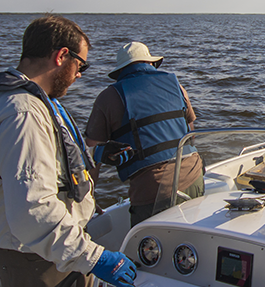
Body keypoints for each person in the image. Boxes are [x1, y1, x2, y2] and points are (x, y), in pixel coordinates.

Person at [0, 14, 137, 287]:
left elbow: (44, 162)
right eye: (81, 64)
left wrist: (97, 154)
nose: (80, 74)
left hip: (50, 250)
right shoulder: (23, 113)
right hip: (36, 257)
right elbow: (35, 211)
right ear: (62, 56)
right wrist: (95, 258)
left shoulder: (18, 98)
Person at [85, 42, 205, 227]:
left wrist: (87, 201)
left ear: (121, 71)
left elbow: (91, 156)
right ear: (151, 64)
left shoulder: (107, 97)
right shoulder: (178, 87)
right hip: (194, 176)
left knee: (148, 250)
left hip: (153, 189)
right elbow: (191, 134)